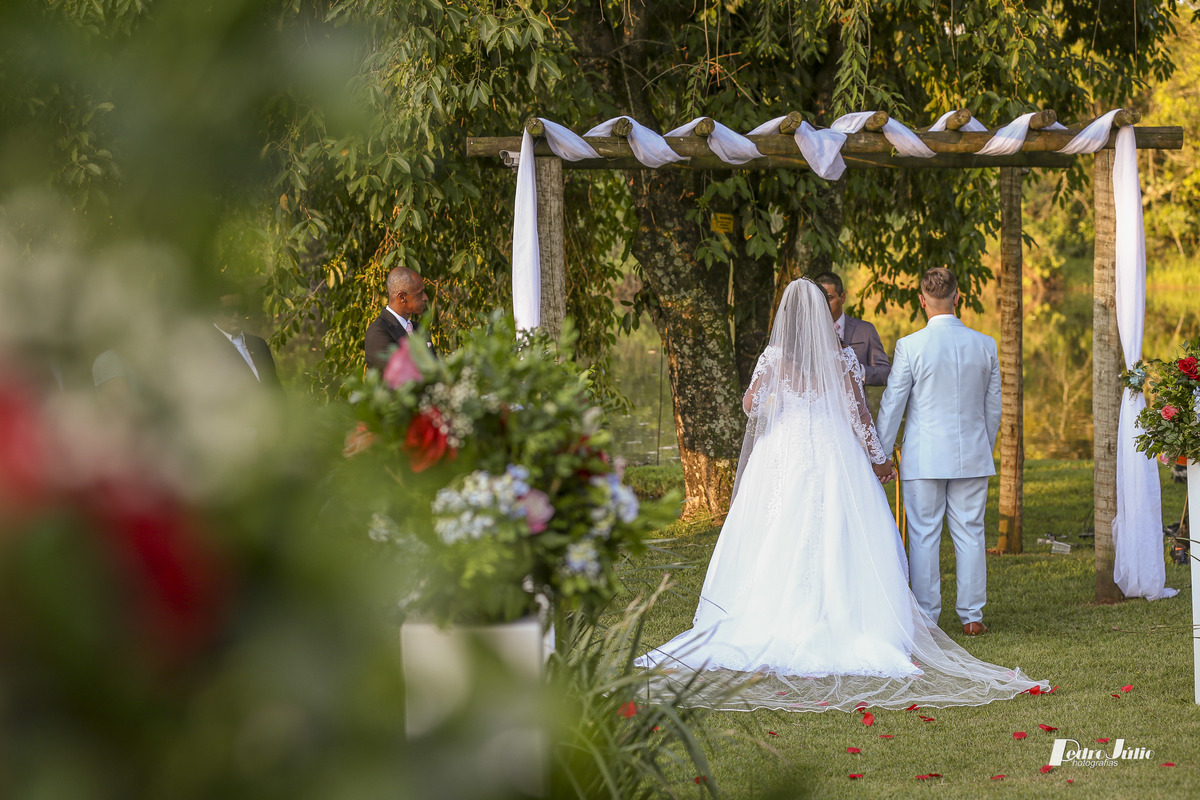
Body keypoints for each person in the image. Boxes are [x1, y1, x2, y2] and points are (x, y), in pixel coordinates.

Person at [635, 278, 1044, 712]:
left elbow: (751, 405)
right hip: (836, 451)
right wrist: (879, 460)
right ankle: (920, 617)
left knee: (776, 530)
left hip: (783, 452)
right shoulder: (844, 358)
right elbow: (859, 416)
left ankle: (776, 614)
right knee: (850, 528)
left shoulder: (774, 358)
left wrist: (771, 400)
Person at [875, 268, 1001, 637]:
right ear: (958, 297)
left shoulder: (911, 346)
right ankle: (972, 617)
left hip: (924, 456)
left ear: (922, 300)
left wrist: (881, 453)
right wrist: (983, 445)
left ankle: (928, 618)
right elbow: (993, 408)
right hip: (973, 454)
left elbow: (893, 404)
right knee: (971, 533)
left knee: (924, 535)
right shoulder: (985, 344)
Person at [813, 271, 891, 386]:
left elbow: (885, 373)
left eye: (829, 298)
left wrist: (857, 370)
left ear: (842, 298)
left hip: (855, 397)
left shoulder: (865, 330)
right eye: (819, 299)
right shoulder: (806, 332)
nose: (823, 304)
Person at [365, 267, 429, 372]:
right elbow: (398, 374)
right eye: (420, 294)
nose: (425, 298)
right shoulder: (377, 332)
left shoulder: (418, 329)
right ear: (402, 297)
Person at [213, 295, 282, 390]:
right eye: (229, 310)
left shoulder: (259, 344)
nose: (236, 315)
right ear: (213, 313)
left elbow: (275, 387)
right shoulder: (207, 350)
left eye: (241, 309)